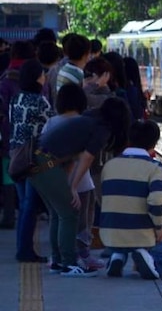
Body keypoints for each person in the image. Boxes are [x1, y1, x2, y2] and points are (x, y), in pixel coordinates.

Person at [29, 97, 131, 277]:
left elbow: (71, 157)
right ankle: (68, 264)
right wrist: (73, 188)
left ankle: (58, 261)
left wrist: (68, 185)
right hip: (46, 163)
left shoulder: (89, 119)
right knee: (69, 213)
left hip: (38, 160)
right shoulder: (102, 129)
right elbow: (86, 158)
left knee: (58, 213)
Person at [99, 120, 162, 279]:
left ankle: (118, 256)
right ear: (154, 143)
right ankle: (144, 256)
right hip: (140, 233)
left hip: (110, 233)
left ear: (129, 140)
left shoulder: (110, 165)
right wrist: (158, 227)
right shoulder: (155, 168)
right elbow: (156, 202)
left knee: (123, 241)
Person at [40, 83, 100, 270]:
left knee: (56, 218)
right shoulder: (83, 123)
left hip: (53, 180)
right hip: (80, 181)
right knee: (80, 222)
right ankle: (78, 257)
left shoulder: (51, 122)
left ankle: (56, 257)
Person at [8, 58, 55, 263]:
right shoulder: (40, 101)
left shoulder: (16, 98)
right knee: (29, 206)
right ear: (37, 78)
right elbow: (51, 126)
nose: (45, 78)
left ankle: (23, 247)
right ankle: (25, 251)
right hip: (33, 159)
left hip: (16, 156)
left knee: (25, 205)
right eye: (43, 75)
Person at [0, 40, 36, 230]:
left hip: (9, 138)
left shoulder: (5, 79)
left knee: (9, 177)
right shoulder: (36, 76)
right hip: (34, 142)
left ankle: (9, 215)